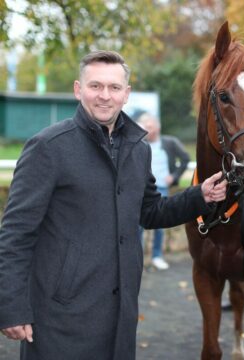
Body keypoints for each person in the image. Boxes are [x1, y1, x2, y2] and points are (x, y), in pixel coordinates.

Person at [0, 50, 227, 360]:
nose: (104, 96)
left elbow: (150, 211)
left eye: (114, 87)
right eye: (95, 86)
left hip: (120, 311)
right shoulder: (48, 147)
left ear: (126, 94)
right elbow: (15, 233)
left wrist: (199, 195)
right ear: (78, 90)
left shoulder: (138, 148)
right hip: (59, 316)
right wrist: (11, 307)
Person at [136, 113, 188, 270]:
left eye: (150, 127)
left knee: (159, 224)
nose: (147, 130)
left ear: (157, 128)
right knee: (138, 225)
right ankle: (136, 258)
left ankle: (157, 256)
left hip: (162, 188)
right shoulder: (138, 143)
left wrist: (174, 176)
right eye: (144, 127)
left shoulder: (170, 142)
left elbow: (185, 158)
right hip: (141, 188)